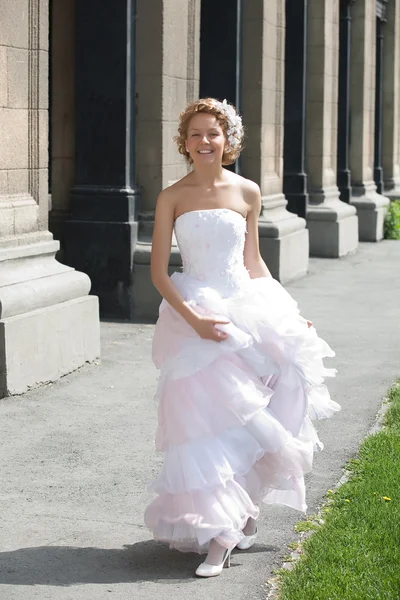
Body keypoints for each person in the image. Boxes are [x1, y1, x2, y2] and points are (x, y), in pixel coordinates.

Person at [144, 98, 340, 578]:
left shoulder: (248, 192)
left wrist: (289, 315)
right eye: (195, 134)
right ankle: (219, 532)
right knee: (199, 420)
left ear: (227, 139)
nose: (204, 141)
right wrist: (193, 320)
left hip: (245, 307)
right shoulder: (171, 196)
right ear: (184, 142)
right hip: (195, 311)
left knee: (253, 416)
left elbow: (254, 264)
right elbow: (158, 272)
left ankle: (237, 516)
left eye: (213, 132)